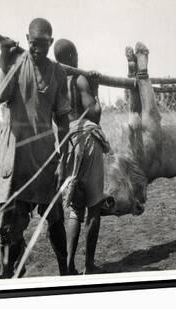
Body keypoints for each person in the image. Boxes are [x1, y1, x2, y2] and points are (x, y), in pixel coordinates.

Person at [0, 18, 71, 278]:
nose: (38, 49)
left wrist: (64, 156)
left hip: (45, 158)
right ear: (27, 39)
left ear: (51, 41)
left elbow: (62, 118)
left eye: (44, 44)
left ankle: (66, 272)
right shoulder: (14, 63)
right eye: (34, 44)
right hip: (16, 158)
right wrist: (4, 54)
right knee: (10, 226)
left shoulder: (58, 72)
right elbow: (0, 95)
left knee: (55, 218)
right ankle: (7, 275)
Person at [53, 39, 110, 275]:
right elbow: (94, 114)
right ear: (73, 56)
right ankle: (89, 266)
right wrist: (95, 90)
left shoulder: (55, 83)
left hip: (67, 143)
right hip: (87, 140)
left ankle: (68, 267)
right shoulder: (80, 79)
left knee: (76, 209)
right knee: (94, 208)